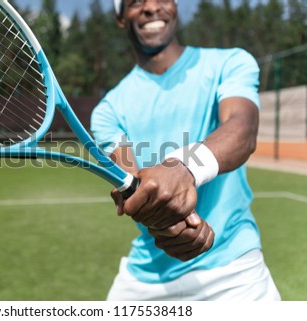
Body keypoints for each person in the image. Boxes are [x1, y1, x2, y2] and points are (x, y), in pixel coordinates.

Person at [90, 0, 281, 300]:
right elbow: (131, 183)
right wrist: (167, 225)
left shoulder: (231, 62)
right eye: (136, 1)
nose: (151, 7)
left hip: (235, 273)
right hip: (145, 280)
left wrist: (184, 167)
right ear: (120, 17)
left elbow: (242, 129)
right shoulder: (107, 111)